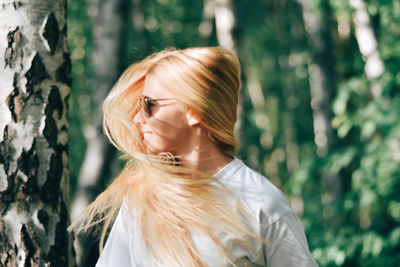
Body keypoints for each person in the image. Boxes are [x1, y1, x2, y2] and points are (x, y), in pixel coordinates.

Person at [72, 47, 318, 267]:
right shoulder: (140, 200)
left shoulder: (261, 203)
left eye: (150, 105)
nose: (138, 118)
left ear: (195, 110)